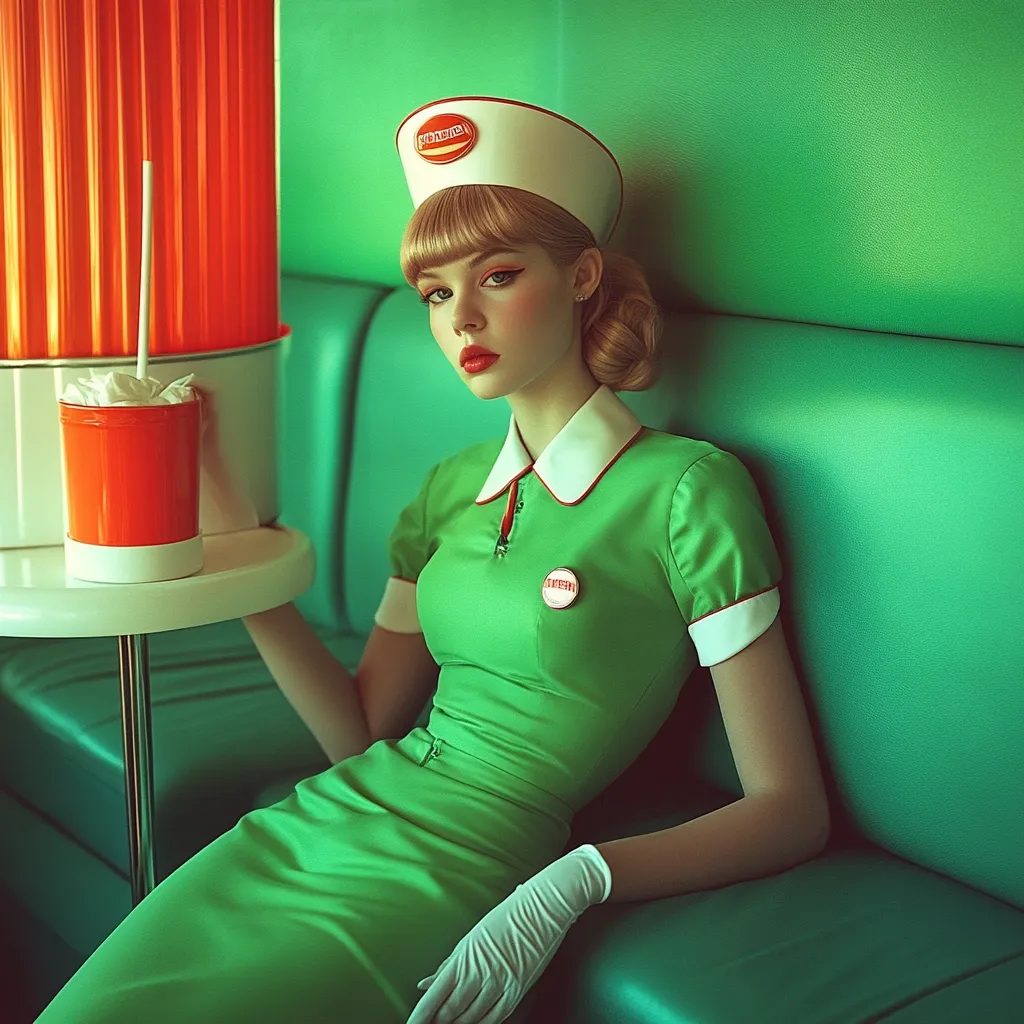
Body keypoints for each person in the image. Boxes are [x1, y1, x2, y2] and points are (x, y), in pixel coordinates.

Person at [36, 96, 829, 1024]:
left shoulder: (688, 490)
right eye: (439, 293)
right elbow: (360, 730)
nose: (463, 319)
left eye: (497, 275)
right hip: (319, 819)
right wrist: (232, 542)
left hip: (463, 863)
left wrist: (575, 883)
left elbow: (791, 807)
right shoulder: (449, 491)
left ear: (581, 278)